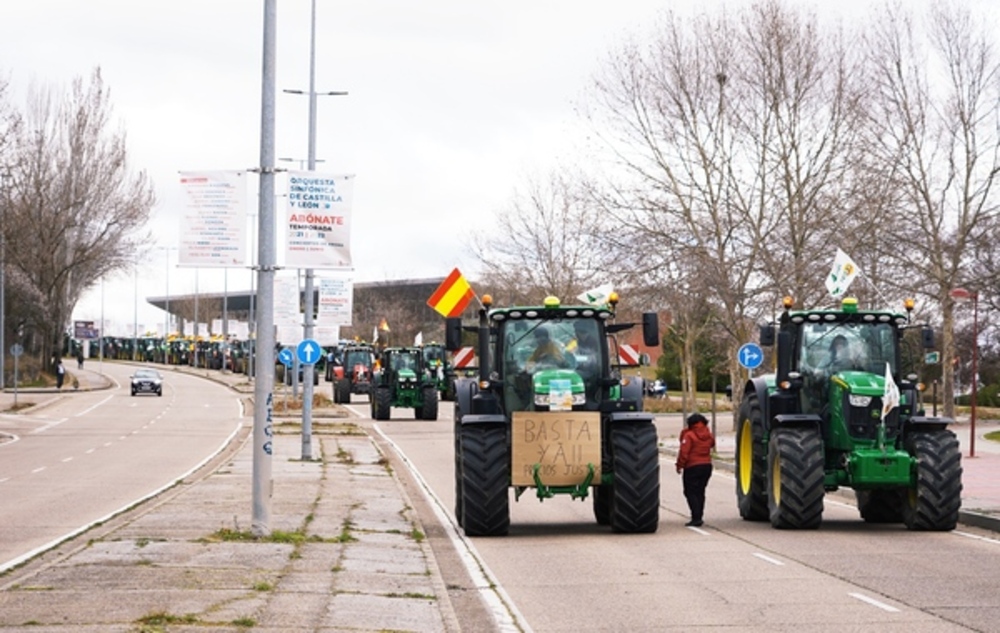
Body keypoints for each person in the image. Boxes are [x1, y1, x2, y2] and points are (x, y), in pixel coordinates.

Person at [675, 412, 715, 527]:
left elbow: (684, 452)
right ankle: (699, 516)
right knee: (700, 491)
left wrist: (679, 465)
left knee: (690, 492)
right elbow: (712, 444)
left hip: (692, 466)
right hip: (707, 466)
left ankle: (696, 517)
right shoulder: (708, 434)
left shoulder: (689, 435)